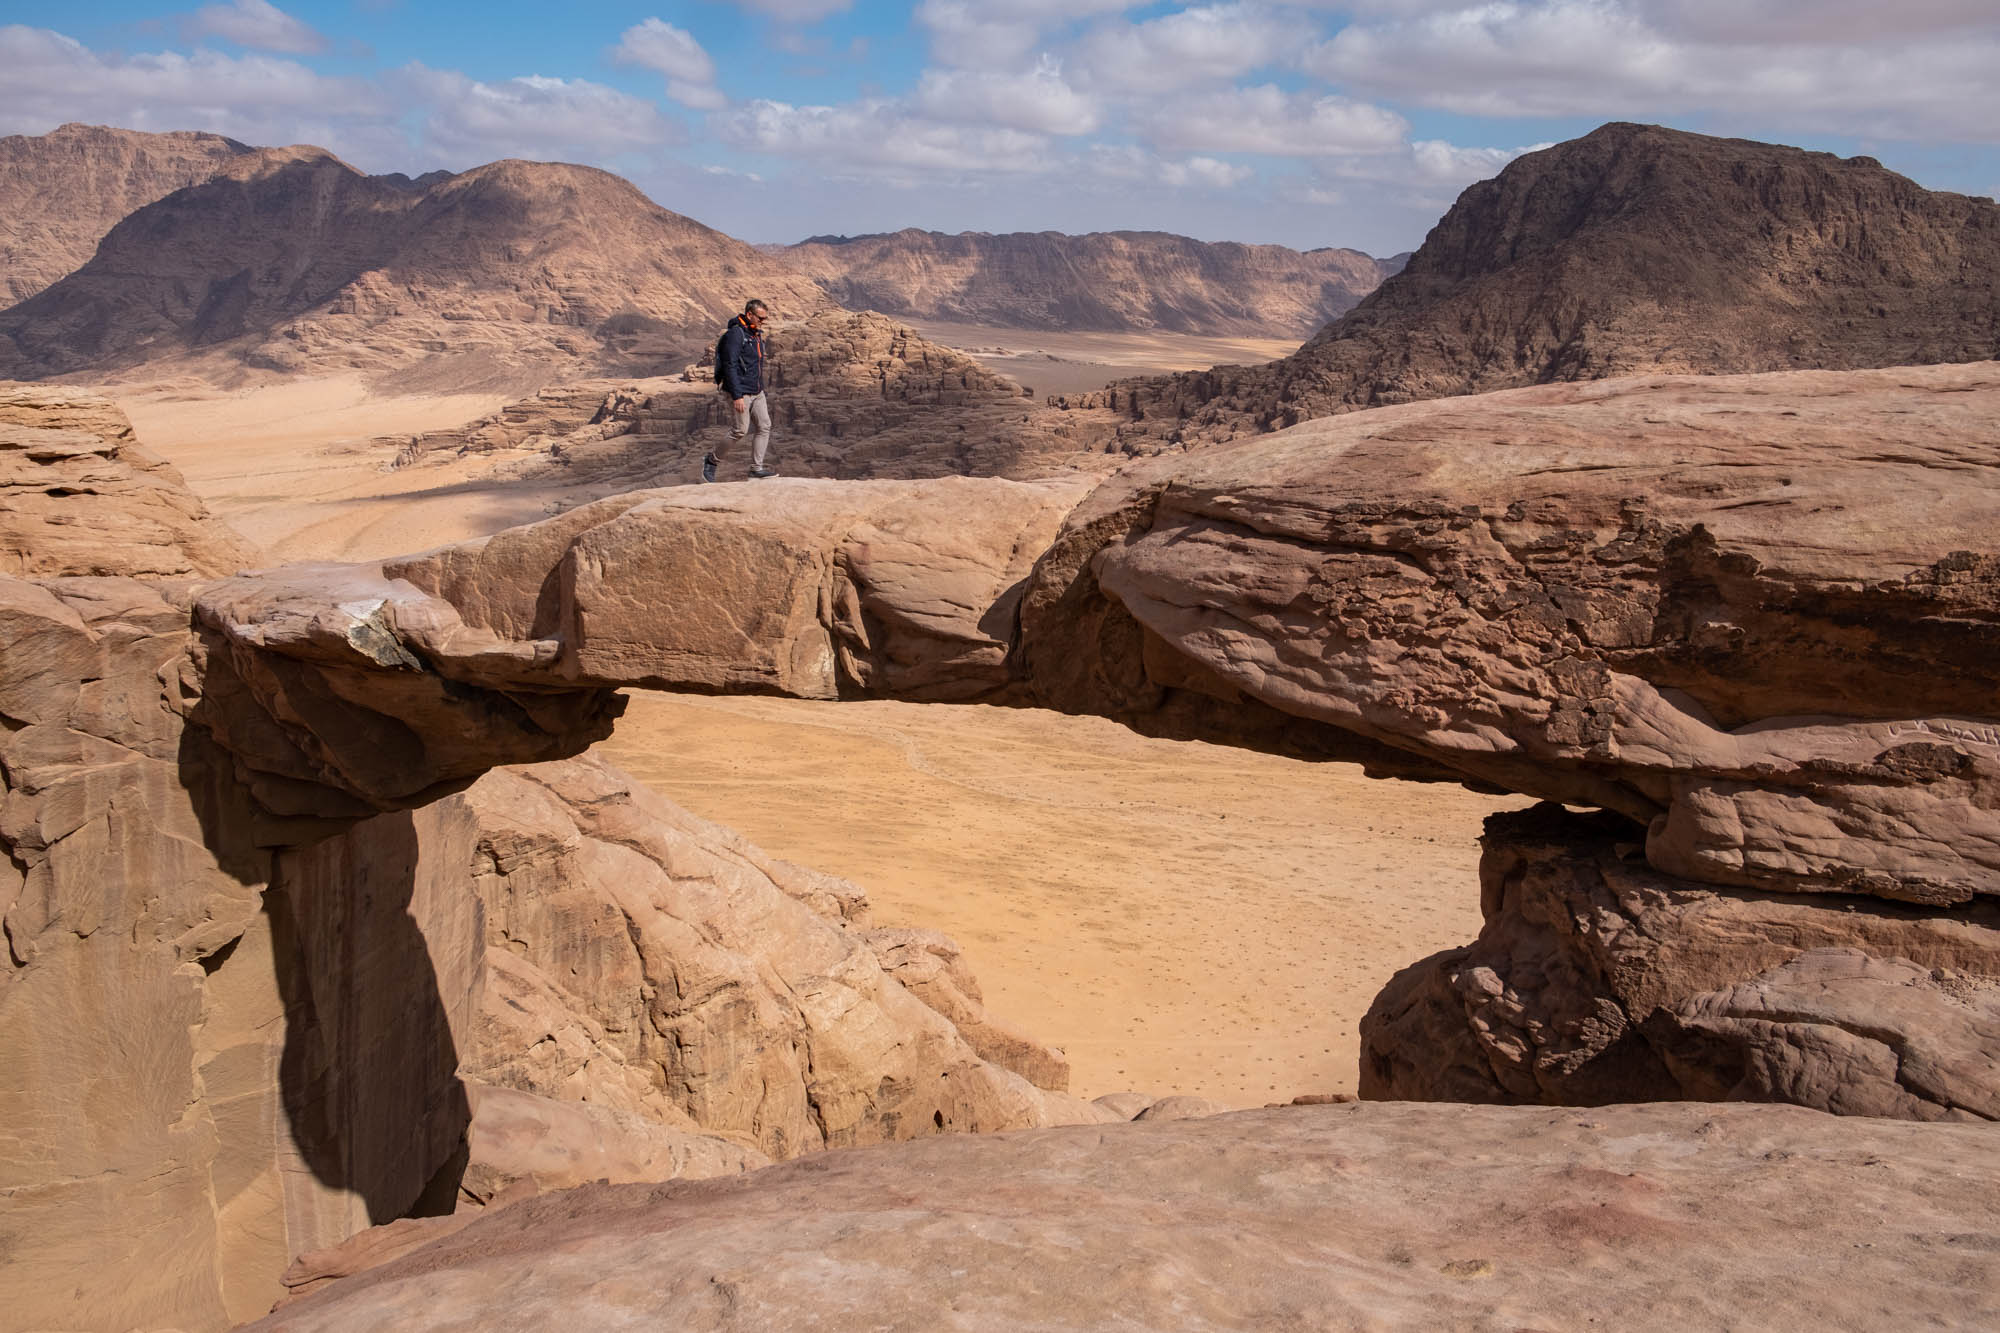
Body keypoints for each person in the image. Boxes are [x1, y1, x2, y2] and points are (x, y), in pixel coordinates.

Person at [703, 298, 778, 482]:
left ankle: (756, 469)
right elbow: (730, 365)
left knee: (764, 426)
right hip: (740, 392)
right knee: (740, 430)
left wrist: (760, 388)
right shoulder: (736, 334)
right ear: (749, 314)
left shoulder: (755, 334)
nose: (763, 322)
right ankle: (711, 461)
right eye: (760, 318)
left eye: (765, 318)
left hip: (757, 391)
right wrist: (737, 396)